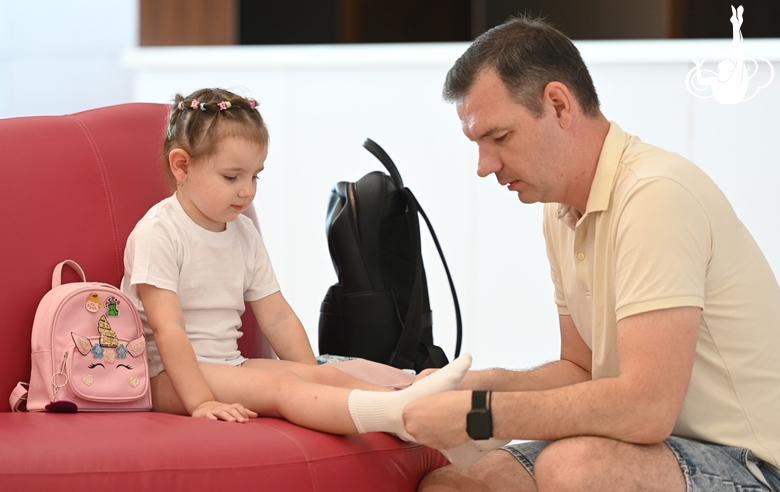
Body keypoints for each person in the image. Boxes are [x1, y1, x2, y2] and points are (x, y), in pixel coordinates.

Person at [402, 16, 780, 492]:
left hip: (749, 464)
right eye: (477, 144)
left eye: (498, 138)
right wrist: (475, 385)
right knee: (454, 483)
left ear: (559, 104)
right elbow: (580, 370)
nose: (484, 167)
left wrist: (482, 413)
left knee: (575, 469)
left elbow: (646, 408)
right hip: (647, 448)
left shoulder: (655, 195)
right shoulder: (560, 207)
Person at [120, 87, 507, 469]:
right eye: (232, 176)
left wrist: (314, 374)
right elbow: (168, 330)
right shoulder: (160, 232)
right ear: (182, 166)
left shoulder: (241, 232)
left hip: (227, 364)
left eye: (256, 176)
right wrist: (201, 401)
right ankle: (401, 415)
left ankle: (425, 404)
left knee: (327, 377)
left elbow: (278, 316)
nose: (247, 191)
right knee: (283, 388)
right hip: (165, 377)